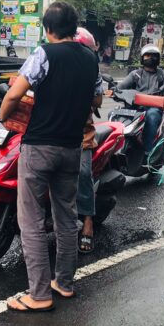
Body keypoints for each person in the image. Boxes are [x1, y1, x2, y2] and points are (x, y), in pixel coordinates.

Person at [0, 2, 100, 312]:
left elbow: (16, 92)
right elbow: (96, 98)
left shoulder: (44, 53)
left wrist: (3, 116)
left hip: (40, 146)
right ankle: (64, 284)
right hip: (72, 147)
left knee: (30, 219)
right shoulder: (91, 59)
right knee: (66, 218)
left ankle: (39, 294)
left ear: (47, 29)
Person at [73, 27, 103, 254]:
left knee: (83, 173)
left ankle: (88, 222)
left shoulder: (93, 70)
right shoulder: (50, 61)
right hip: (50, 130)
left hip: (80, 132)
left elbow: (98, 99)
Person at [116, 44, 164, 156]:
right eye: (147, 55)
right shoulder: (135, 75)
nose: (151, 58)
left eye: (154, 56)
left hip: (154, 108)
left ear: (158, 59)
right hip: (135, 108)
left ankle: (148, 152)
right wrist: (114, 91)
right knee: (115, 114)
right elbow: (120, 88)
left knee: (152, 115)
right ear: (142, 58)